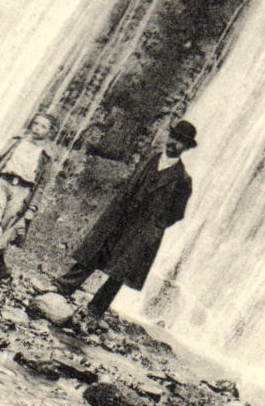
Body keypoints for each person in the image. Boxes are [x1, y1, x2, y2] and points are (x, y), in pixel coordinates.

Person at [53, 117, 197, 318]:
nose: (174, 143)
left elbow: (177, 213)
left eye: (180, 141)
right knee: (97, 250)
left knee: (121, 271)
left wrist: (155, 224)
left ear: (186, 147)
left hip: (143, 229)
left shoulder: (182, 179)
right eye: (173, 137)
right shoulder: (151, 159)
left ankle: (95, 310)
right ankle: (64, 286)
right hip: (122, 216)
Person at [0, 112, 60, 282]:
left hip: (23, 190)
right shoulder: (17, 142)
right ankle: (1, 267)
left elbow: (41, 186)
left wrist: (32, 208)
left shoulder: (46, 156)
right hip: (3, 182)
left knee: (7, 227)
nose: (37, 128)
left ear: (50, 132)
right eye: (35, 124)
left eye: (43, 127)